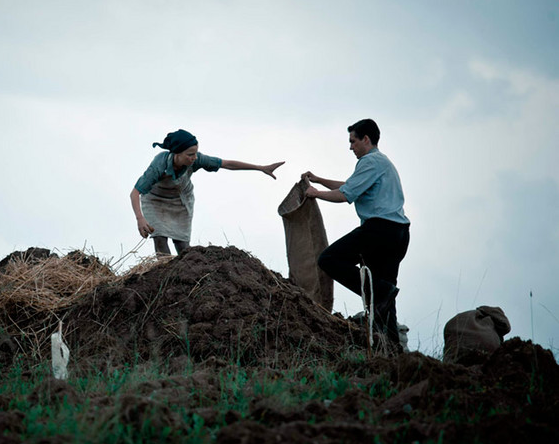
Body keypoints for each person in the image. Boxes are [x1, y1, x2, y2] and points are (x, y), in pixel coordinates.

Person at [302, 118, 410, 346]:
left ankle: (379, 292)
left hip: (380, 230)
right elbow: (350, 186)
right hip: (398, 234)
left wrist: (315, 193)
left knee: (328, 259)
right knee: (385, 299)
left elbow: (345, 195)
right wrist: (320, 180)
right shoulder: (381, 163)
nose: (350, 147)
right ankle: (392, 348)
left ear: (366, 139)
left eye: (353, 141)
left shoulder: (370, 162)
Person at [131, 129, 284, 256]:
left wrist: (260, 168)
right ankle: (164, 276)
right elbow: (135, 192)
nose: (194, 157)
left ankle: (186, 277)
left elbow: (227, 164)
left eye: (195, 153)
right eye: (190, 154)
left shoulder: (197, 160)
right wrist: (140, 219)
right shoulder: (159, 164)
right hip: (155, 200)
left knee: (182, 245)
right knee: (159, 238)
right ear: (177, 153)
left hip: (180, 200)